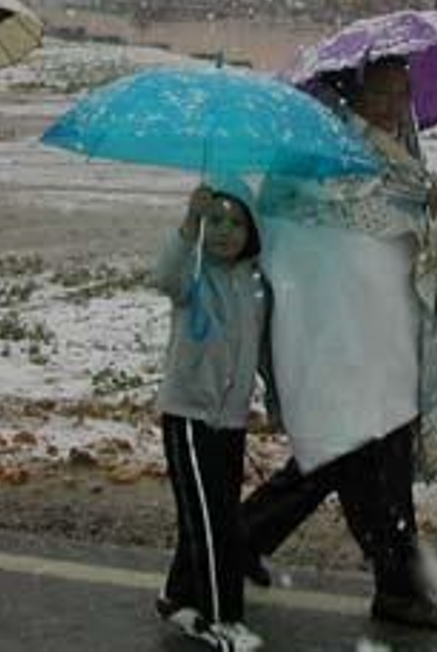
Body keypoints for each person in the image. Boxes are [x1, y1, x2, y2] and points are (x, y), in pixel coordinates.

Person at [244, 56, 437, 632]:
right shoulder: (321, 151)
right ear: (353, 92)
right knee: (359, 453)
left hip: (386, 336)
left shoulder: (401, 154)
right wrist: (412, 207)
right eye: (380, 91)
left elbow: (406, 224)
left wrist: (429, 205)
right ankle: (396, 586)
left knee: (343, 454)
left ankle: (234, 541)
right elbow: (312, 220)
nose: (392, 103)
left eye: (402, 91)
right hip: (341, 333)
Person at [154, 180, 268, 652]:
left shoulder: (255, 284)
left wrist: (276, 405)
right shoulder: (193, 272)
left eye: (237, 223)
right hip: (188, 415)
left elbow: (264, 353)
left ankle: (177, 594)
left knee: (211, 513)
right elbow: (164, 277)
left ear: (252, 232)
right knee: (211, 522)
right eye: (215, 220)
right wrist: (188, 225)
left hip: (231, 420)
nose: (224, 232)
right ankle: (223, 618)